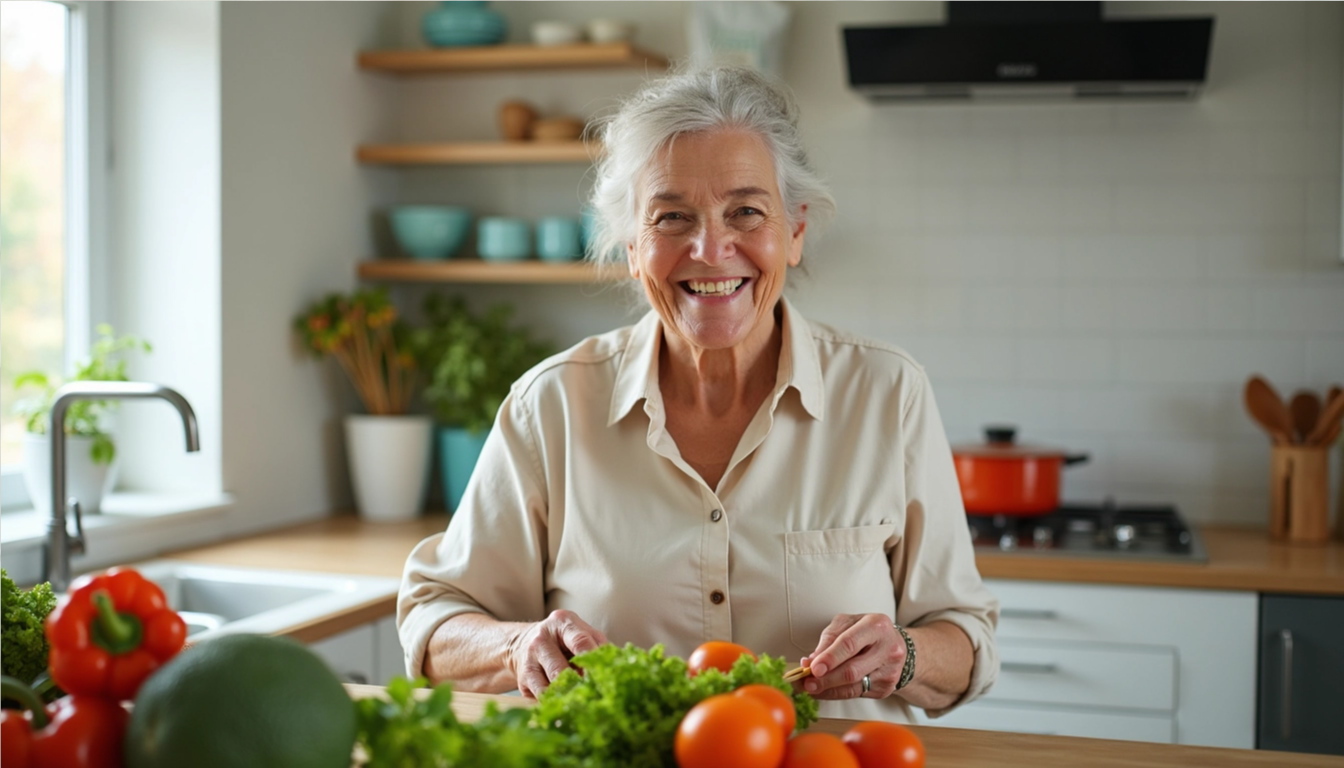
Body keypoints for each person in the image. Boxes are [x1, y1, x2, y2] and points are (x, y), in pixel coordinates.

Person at [398, 66, 999, 723]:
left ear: (794, 232)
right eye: (671, 217)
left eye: (746, 211)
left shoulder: (887, 393)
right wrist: (517, 647)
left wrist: (906, 656)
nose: (711, 249)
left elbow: (964, 639)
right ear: (632, 246)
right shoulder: (553, 405)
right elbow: (434, 620)